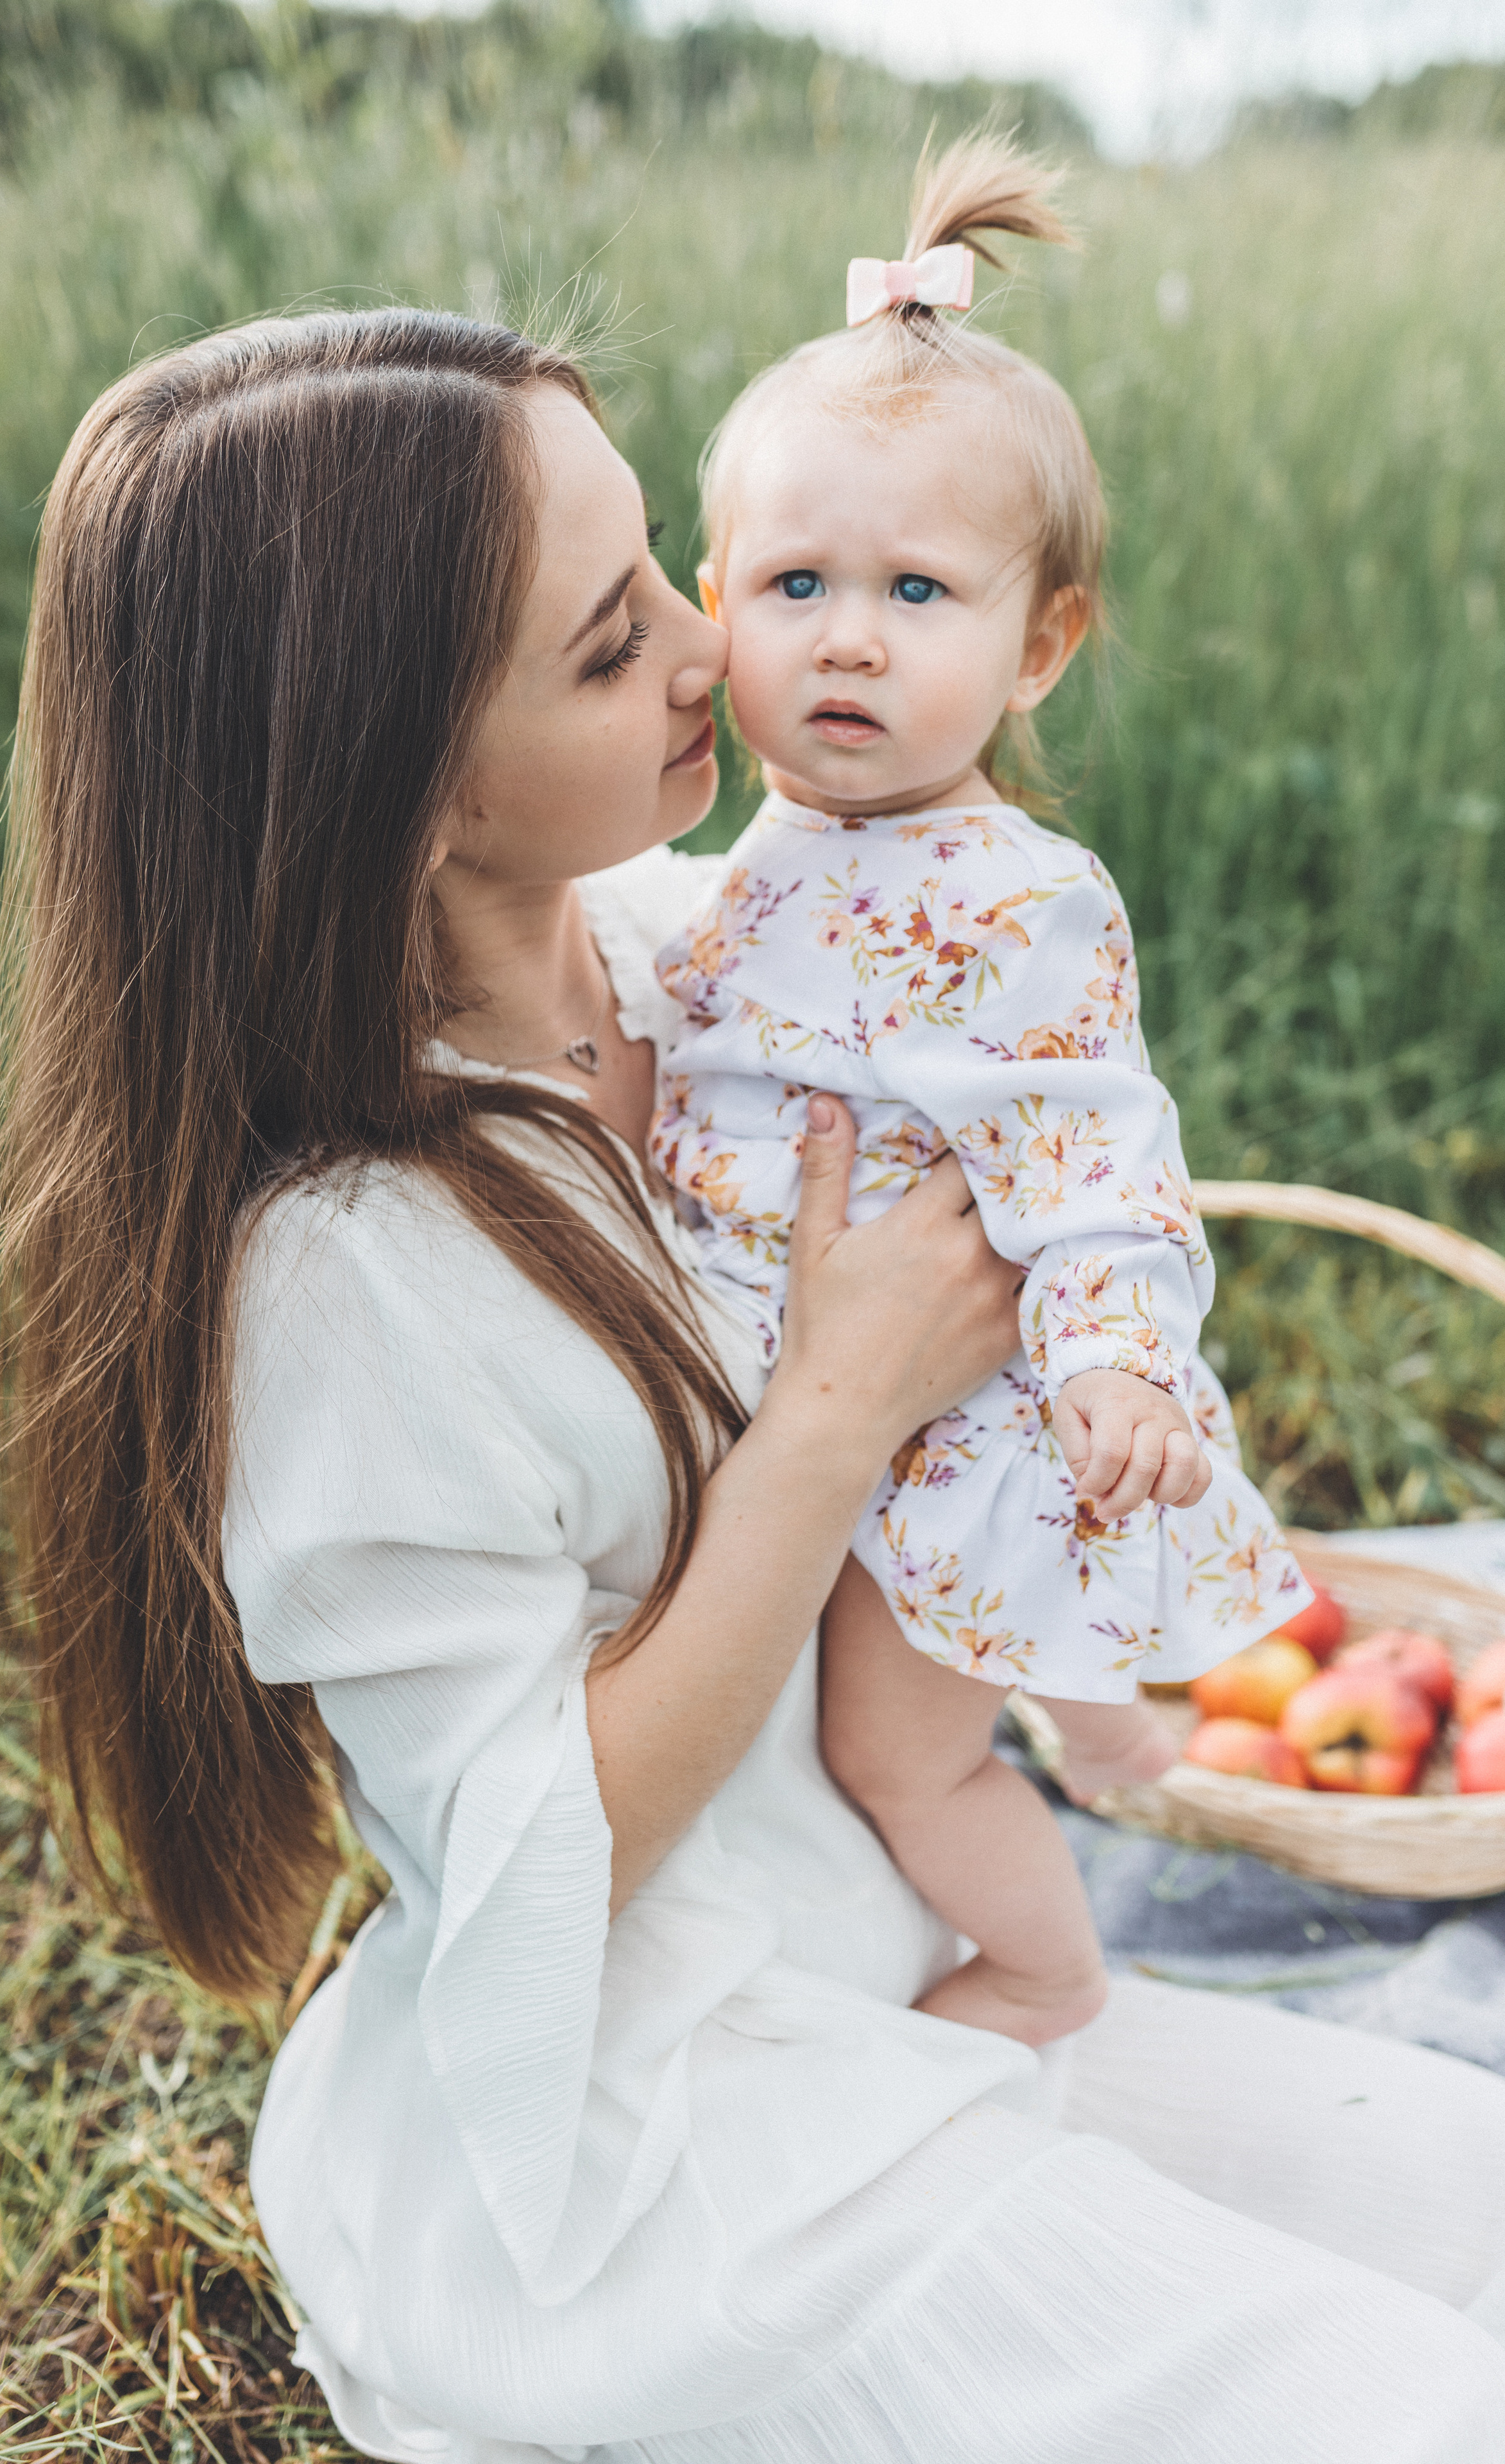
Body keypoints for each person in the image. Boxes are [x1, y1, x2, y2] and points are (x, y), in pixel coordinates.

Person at [0, 304, 1505, 2464]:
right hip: (665, 2125)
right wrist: (830, 1425)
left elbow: (1057, 1144)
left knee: (1475, 2220)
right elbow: (529, 1877)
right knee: (1424, 2414)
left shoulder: (706, 948)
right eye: (614, 646)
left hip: (897, 1965)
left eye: (678, 574)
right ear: (396, 794)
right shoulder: (339, 1279)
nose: (723, 652)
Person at [650, 132, 1307, 2049]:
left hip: (983, 1419)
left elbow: (1101, 1148)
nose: (849, 635)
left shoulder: (1024, 895)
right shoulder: (738, 863)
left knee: (898, 1744)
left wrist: (1113, 1357)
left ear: (1041, 646)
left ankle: (1043, 1963)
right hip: (823, 1394)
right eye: (797, 582)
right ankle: (1100, 1716)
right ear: (719, 608)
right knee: (908, 1675)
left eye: (921, 591)